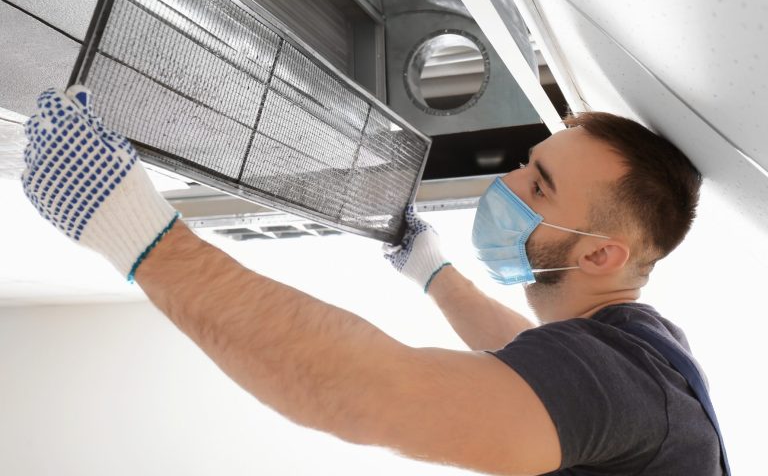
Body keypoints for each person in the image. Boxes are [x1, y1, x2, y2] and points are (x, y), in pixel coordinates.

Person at [21, 85, 727, 475]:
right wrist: (432, 272)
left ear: (599, 256)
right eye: (526, 163)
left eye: (538, 186)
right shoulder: (641, 354)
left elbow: (366, 391)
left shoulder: (631, 381)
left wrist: (141, 236)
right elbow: (529, 367)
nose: (507, 182)